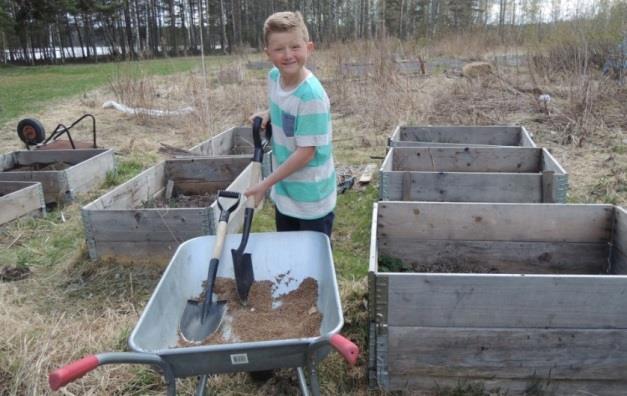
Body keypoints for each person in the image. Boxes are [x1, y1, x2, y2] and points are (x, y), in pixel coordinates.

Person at [247, 11, 336, 240]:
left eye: (295, 47)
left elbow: (306, 153)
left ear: (309, 47)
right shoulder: (274, 78)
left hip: (311, 198)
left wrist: (264, 185)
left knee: (312, 262)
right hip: (286, 190)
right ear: (268, 53)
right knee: (289, 253)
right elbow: (282, 104)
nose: (288, 55)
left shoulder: (311, 96)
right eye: (279, 49)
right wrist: (268, 114)